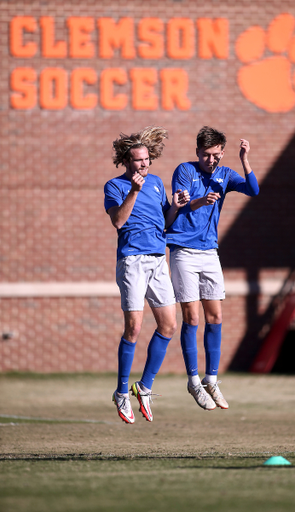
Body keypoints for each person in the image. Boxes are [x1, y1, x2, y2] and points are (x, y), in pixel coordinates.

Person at [166, 126, 259, 411]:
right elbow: (179, 206)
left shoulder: (226, 174)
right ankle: (193, 381)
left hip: (209, 252)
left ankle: (211, 379)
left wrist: (244, 160)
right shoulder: (184, 170)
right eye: (206, 155)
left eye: (216, 155)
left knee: (215, 316)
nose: (211, 160)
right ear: (197, 152)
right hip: (183, 251)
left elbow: (253, 190)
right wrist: (200, 201)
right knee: (192, 319)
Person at [104, 126, 189, 424]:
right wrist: (134, 191)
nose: (144, 165)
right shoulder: (114, 186)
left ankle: (145, 387)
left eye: (147, 160)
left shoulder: (155, 183)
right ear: (126, 161)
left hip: (157, 259)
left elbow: (164, 222)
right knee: (134, 329)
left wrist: (175, 208)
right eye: (138, 160)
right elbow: (118, 221)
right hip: (132, 261)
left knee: (168, 326)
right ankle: (121, 393)